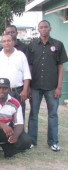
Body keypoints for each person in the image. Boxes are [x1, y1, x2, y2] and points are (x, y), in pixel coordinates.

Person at [27, 20, 68, 151]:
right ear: (38, 29)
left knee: (53, 114)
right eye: (41, 27)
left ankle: (53, 142)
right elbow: (29, 66)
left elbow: (61, 68)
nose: (44, 29)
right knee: (33, 114)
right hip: (35, 86)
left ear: (50, 29)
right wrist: (27, 86)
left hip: (52, 86)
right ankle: (32, 141)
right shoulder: (32, 45)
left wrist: (59, 87)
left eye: (46, 27)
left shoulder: (58, 45)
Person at [0, 78, 32, 168]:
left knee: (27, 140)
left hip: (6, 131)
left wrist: (14, 136)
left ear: (9, 89)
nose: (1, 91)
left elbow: (19, 124)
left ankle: (7, 149)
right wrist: (2, 125)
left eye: (5, 88)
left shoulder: (15, 102)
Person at [0, 34, 31, 118]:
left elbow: (26, 75)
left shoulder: (20, 55)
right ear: (1, 43)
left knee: (19, 117)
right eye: (4, 41)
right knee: (2, 116)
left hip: (18, 91)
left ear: (13, 42)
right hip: (1, 92)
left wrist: (25, 90)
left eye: (9, 41)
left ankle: (19, 131)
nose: (6, 43)